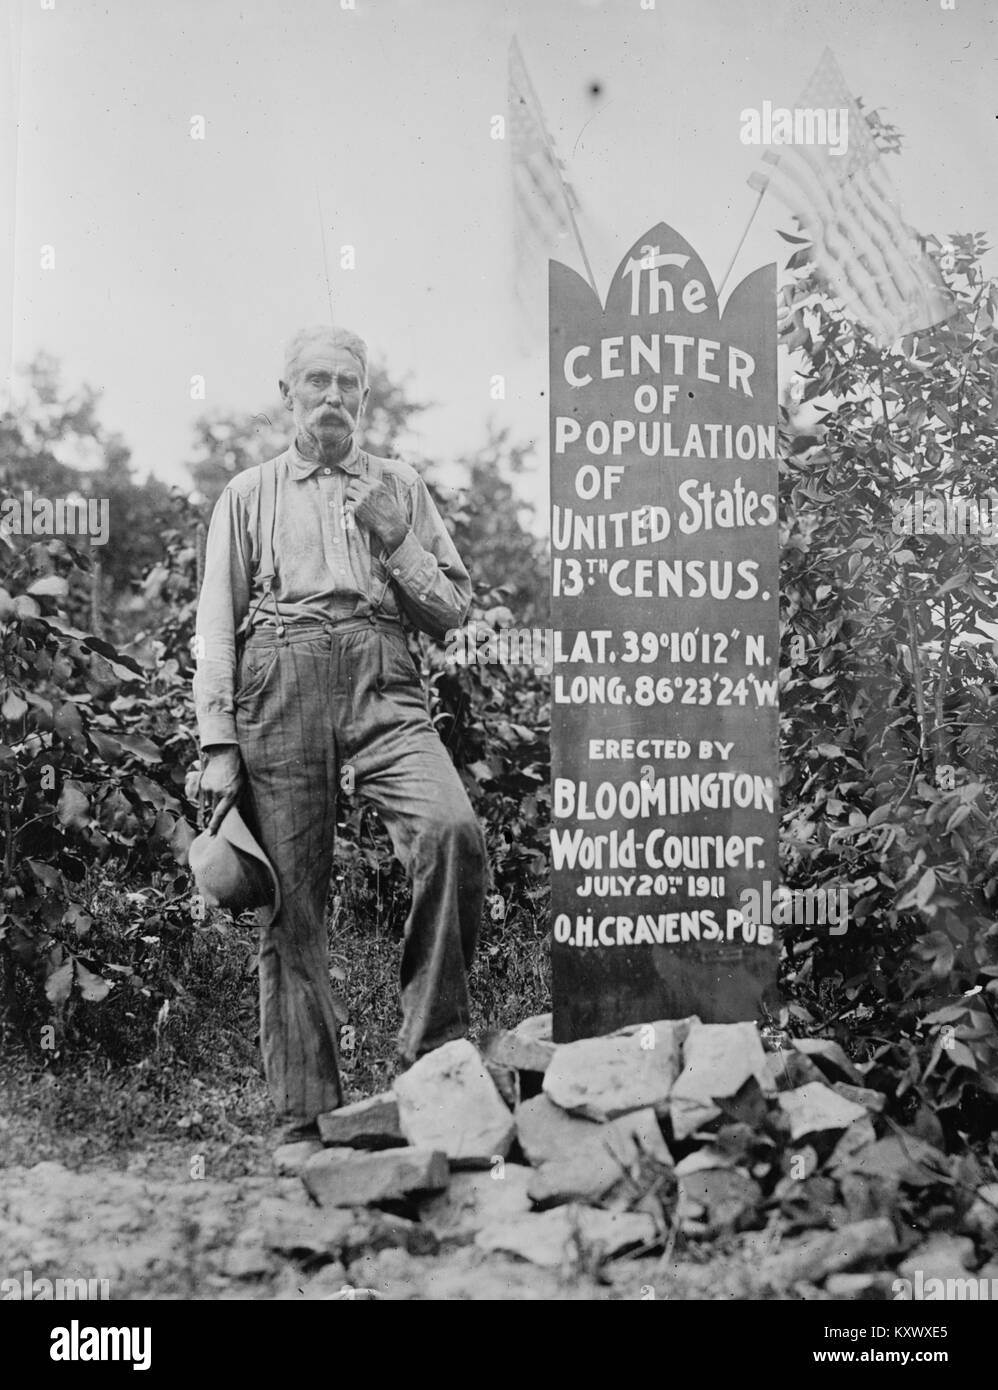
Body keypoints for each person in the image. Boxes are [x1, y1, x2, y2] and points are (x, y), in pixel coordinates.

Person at [193, 324, 486, 1136]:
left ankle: (430, 1064)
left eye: (346, 384)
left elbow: (451, 615)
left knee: (451, 832)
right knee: (291, 902)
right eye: (314, 381)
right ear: (285, 395)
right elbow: (217, 624)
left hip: (382, 676)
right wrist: (218, 747)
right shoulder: (249, 494)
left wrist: (396, 536)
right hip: (279, 677)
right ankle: (304, 1119)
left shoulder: (400, 484)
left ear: (365, 396)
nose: (331, 397)